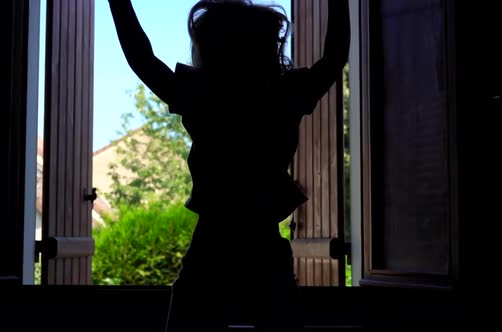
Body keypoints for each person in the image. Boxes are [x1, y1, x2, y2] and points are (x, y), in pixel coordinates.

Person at [107, 0, 350, 330]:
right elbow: (334, 58)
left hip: (211, 245)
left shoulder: (202, 92)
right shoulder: (282, 93)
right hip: (264, 243)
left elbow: (142, 59)